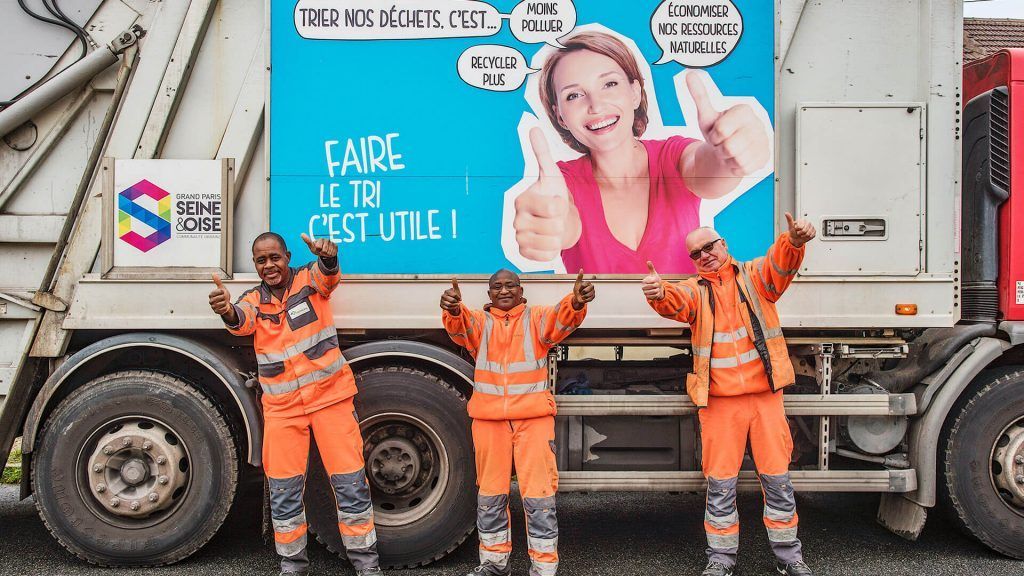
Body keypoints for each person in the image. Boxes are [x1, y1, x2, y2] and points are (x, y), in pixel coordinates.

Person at [642, 214, 817, 576]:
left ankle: (789, 559)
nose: (704, 255)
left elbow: (780, 265)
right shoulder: (694, 290)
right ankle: (720, 560)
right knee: (720, 485)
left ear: (724, 245)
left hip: (764, 398)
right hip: (720, 404)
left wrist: (794, 242)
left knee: (778, 482)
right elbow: (674, 301)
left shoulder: (754, 277)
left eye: (709, 246)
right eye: (696, 253)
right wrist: (659, 294)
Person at [513, 30, 771, 274]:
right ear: (560, 116)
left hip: (688, 320)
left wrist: (728, 156)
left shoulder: (673, 156)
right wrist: (547, 227)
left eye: (609, 84)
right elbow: (562, 220)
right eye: (574, 95)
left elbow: (709, 171)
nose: (596, 105)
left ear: (635, 93)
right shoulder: (561, 183)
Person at [208, 232, 383, 576]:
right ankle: (293, 566)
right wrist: (226, 310)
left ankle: (366, 565)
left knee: (350, 484)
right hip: (283, 409)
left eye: (275, 257)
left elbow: (329, 276)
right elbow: (241, 322)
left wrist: (329, 257)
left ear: (287, 256)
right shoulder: (253, 299)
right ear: (255, 265)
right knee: (284, 490)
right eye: (261, 260)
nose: (269, 265)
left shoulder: (309, 280)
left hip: (330, 399)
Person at [440, 269, 595, 576]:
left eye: (511, 285)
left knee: (539, 496)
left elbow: (562, 321)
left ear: (522, 290)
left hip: (533, 420)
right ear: (489, 295)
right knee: (490, 495)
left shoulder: (537, 318)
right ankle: (494, 564)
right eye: (497, 286)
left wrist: (576, 302)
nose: (504, 290)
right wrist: (453, 309)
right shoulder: (480, 323)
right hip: (489, 421)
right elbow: (460, 328)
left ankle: (543, 567)